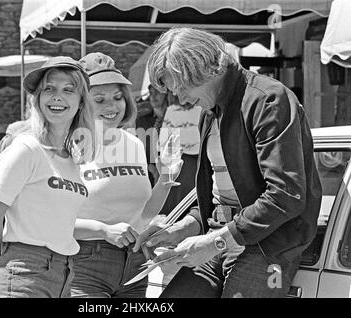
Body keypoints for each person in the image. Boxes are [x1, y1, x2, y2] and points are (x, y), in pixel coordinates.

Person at [133, 27, 322, 298]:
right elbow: (218, 196)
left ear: (205, 68)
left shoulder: (267, 99)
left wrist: (214, 241)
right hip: (221, 238)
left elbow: (285, 196)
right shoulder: (209, 112)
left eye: (182, 88)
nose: (181, 99)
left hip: (269, 247)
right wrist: (181, 229)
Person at [0, 56, 96, 298]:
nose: (57, 96)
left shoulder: (73, 158)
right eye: (48, 89)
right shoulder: (26, 148)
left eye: (68, 90)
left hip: (65, 274)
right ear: (37, 99)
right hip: (22, 273)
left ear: (81, 102)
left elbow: (58, 224)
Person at [70, 52, 181, 298]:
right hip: (84, 264)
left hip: (135, 263)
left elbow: (143, 214)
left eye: (118, 97)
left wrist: (165, 179)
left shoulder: (134, 143)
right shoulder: (67, 147)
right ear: (79, 102)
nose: (112, 107)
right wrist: (103, 230)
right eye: (99, 99)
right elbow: (51, 222)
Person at [159, 101, 201, 217]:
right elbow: (164, 140)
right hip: (183, 161)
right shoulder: (172, 109)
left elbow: (164, 140)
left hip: (192, 161)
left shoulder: (201, 108)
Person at [135, 84, 169, 186]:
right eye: (151, 93)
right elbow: (140, 148)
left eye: (157, 93)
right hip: (149, 172)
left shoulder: (172, 118)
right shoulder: (142, 120)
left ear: (165, 94)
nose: (153, 97)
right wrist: (151, 168)